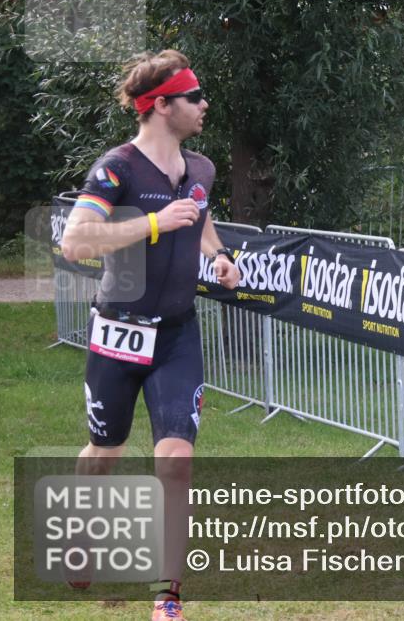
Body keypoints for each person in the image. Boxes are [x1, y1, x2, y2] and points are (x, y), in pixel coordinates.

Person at [60, 49, 240, 621]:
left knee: (176, 461)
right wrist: (154, 224)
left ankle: (168, 595)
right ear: (161, 106)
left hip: (178, 336)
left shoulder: (202, 169)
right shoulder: (118, 168)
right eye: (194, 98)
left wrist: (219, 256)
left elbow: (201, 215)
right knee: (105, 451)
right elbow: (77, 241)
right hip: (118, 332)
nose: (203, 105)